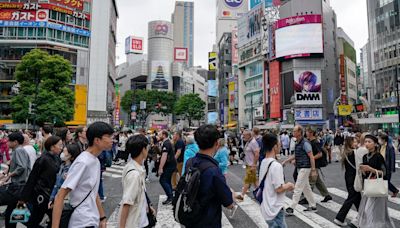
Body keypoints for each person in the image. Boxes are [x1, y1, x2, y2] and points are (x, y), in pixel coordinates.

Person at [52, 122, 114, 228]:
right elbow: (60, 196)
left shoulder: (95, 160)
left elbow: (93, 192)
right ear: (97, 140)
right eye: (108, 137)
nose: (112, 140)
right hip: (81, 221)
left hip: (91, 220)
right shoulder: (83, 162)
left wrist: (102, 217)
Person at [181, 124, 236, 227]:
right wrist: (232, 194)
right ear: (216, 143)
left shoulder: (190, 162)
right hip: (208, 221)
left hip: (191, 218)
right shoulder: (214, 171)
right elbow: (228, 203)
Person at [18, 136, 62, 227]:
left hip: (51, 195)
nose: (61, 147)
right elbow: (32, 178)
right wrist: (23, 198)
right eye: (59, 145)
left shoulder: (57, 159)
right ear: (52, 147)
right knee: (38, 218)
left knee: (37, 219)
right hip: (41, 195)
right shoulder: (42, 159)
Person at [357, 134, 395, 228]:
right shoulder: (365, 156)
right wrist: (363, 169)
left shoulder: (378, 156)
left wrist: (370, 169)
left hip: (377, 185)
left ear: (375, 144)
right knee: (371, 209)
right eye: (365, 141)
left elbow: (384, 173)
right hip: (369, 185)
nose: (367, 144)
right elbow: (365, 173)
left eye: (369, 142)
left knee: (372, 209)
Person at [119, 134, 156, 228]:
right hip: (137, 223)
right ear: (143, 150)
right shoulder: (134, 174)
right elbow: (127, 203)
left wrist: (147, 206)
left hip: (142, 218)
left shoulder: (132, 166)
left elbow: (139, 194)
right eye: (147, 147)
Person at [260, 133, 295, 228]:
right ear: (275, 146)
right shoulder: (276, 165)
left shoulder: (263, 162)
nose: (280, 146)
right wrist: (289, 185)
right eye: (279, 144)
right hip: (275, 209)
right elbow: (278, 189)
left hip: (266, 206)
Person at [283, 125, 318, 215]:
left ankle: (292, 207)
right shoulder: (298, 142)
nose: (293, 132)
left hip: (305, 167)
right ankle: (313, 205)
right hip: (301, 167)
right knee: (306, 188)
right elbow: (296, 155)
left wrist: (313, 170)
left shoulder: (305, 143)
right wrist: (286, 161)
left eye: (294, 131)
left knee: (298, 187)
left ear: (299, 132)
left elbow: (311, 156)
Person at [0, 132, 31, 228]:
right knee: (13, 212)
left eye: (9, 141)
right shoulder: (18, 150)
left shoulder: (19, 151)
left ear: (16, 142)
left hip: (18, 185)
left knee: (14, 211)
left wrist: (9, 175)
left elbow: (22, 167)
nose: (7, 143)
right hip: (19, 185)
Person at [334, 136, 361, 226]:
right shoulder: (353, 152)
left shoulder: (345, 152)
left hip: (348, 176)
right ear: (350, 143)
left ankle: (363, 216)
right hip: (354, 177)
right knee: (352, 197)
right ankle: (339, 217)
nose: (356, 143)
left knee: (356, 198)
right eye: (355, 142)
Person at [301, 127, 332, 204]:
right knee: (318, 181)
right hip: (313, 164)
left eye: (307, 131)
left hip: (315, 164)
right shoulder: (311, 141)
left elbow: (320, 154)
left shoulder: (315, 142)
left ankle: (307, 198)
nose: (306, 133)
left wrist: (312, 158)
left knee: (311, 181)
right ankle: (327, 195)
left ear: (311, 133)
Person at [236, 130, 260, 201]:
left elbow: (257, 153)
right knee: (255, 181)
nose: (243, 136)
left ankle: (242, 195)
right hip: (248, 164)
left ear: (249, 135)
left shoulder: (253, 142)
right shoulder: (248, 142)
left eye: (244, 135)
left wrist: (254, 164)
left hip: (251, 165)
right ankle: (260, 194)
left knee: (247, 180)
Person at [157, 130, 176, 205]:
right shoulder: (167, 142)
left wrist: (160, 168)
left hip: (169, 165)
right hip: (171, 164)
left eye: (160, 134)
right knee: (167, 180)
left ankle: (170, 197)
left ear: (164, 135)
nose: (158, 136)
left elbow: (164, 156)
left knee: (163, 180)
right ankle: (171, 196)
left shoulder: (166, 143)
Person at [378, 133, 398, 197]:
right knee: (383, 181)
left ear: (384, 140)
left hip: (387, 167)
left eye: (380, 139)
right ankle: (393, 190)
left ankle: (394, 190)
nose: (379, 140)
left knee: (386, 181)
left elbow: (392, 158)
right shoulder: (380, 146)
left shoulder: (389, 147)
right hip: (381, 166)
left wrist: (392, 168)